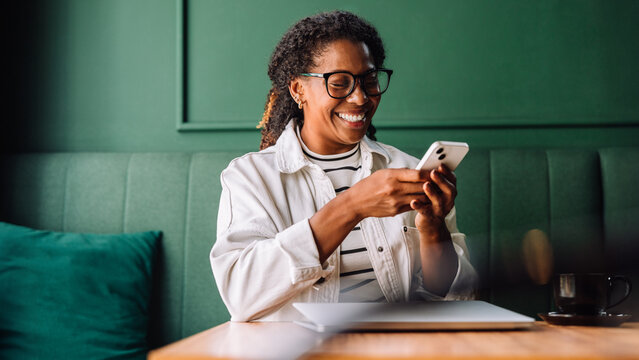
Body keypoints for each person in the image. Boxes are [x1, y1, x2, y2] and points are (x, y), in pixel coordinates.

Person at [210, 10, 478, 322]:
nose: (360, 97)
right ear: (298, 90)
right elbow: (241, 297)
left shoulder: (406, 170)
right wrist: (351, 206)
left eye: (369, 80)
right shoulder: (250, 178)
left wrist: (433, 229)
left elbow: (457, 299)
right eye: (339, 83)